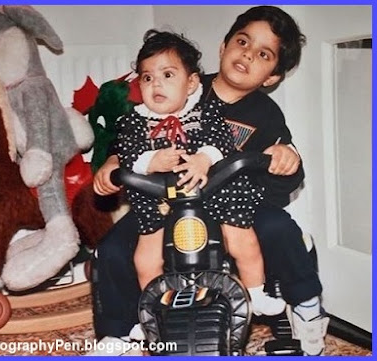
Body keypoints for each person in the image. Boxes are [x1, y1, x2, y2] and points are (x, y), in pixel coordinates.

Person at [92, 6, 329, 356]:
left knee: (278, 226)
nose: (247, 53)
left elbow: (281, 186)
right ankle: (118, 332)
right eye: (242, 41)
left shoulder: (266, 115)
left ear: (271, 77)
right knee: (113, 248)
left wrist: (286, 161)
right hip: (164, 200)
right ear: (223, 46)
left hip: (232, 201)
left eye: (263, 54)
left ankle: (306, 307)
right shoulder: (180, 83)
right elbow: (129, 138)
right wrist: (112, 162)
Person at [113, 29, 286, 317]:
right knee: (145, 258)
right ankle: (152, 311)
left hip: (211, 194)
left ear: (191, 83)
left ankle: (256, 292)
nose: (156, 84)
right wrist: (150, 162)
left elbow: (221, 141)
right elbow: (126, 153)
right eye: (147, 77)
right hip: (159, 200)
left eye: (168, 75)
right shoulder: (135, 120)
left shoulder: (205, 112)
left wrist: (203, 159)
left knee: (243, 238)